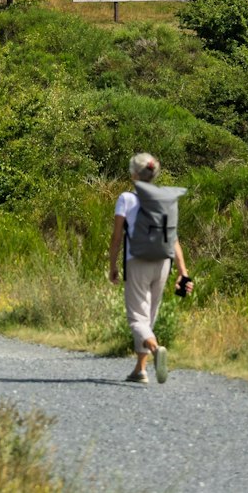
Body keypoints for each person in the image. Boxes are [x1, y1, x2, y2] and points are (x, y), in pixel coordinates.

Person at [107, 152, 192, 384]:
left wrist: (113, 264)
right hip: (163, 262)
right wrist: (183, 272)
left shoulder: (126, 198)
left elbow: (117, 237)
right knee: (149, 316)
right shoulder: (164, 200)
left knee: (137, 318)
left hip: (138, 260)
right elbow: (173, 238)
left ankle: (155, 350)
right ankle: (140, 370)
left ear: (133, 174)